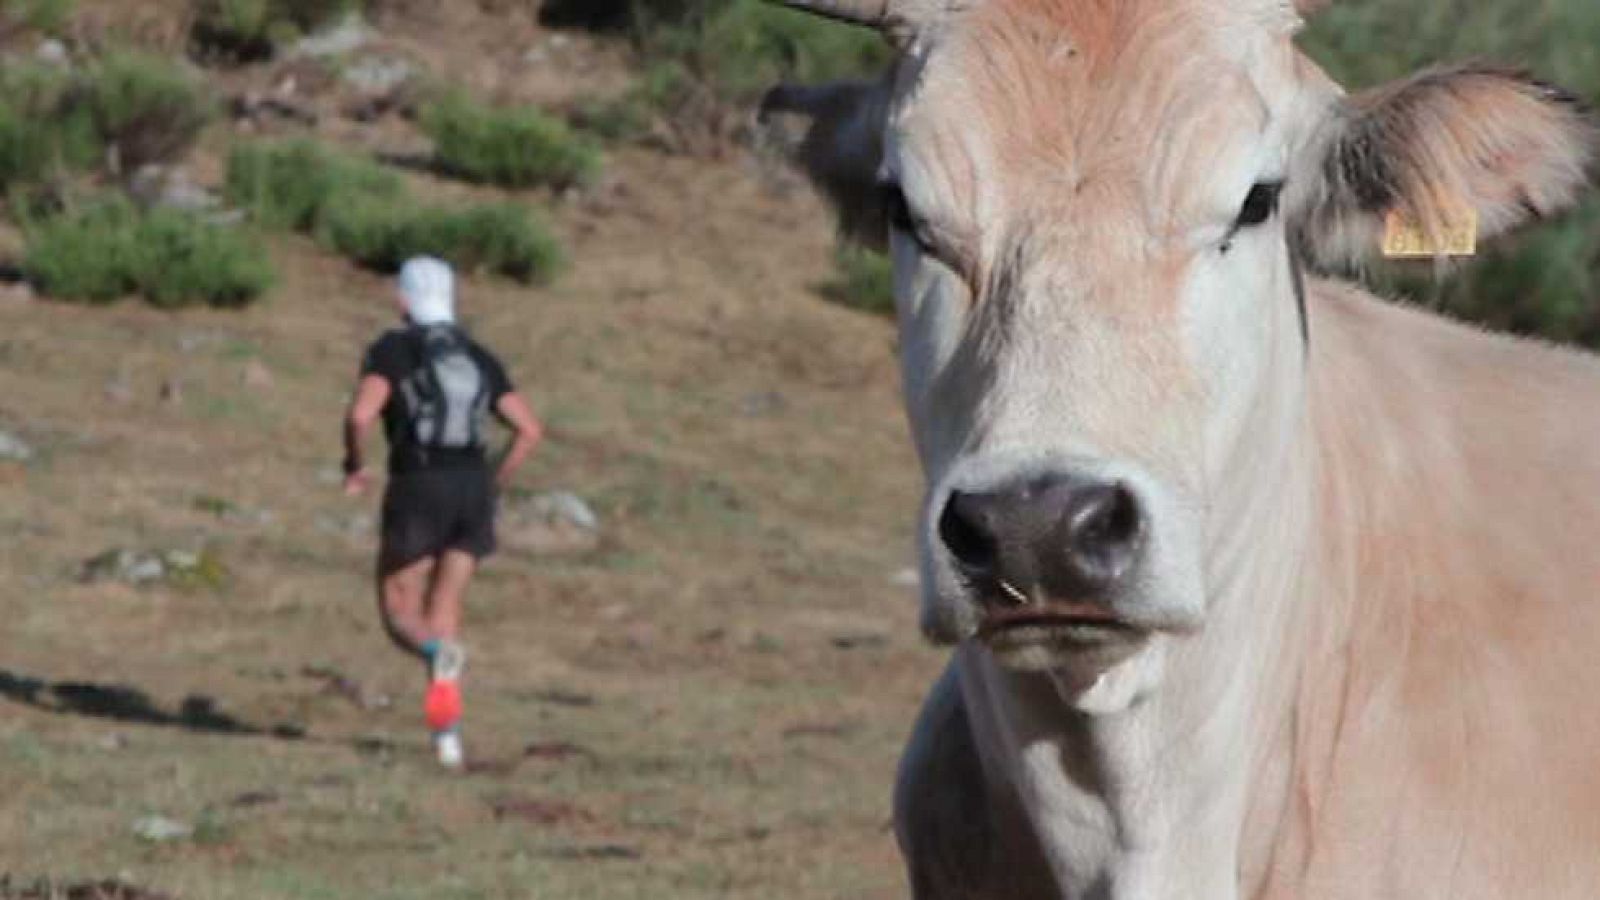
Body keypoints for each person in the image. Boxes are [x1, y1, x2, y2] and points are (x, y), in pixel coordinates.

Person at [341, 257, 543, 768]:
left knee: (399, 612)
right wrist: (493, 483)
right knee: (443, 614)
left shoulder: (393, 349)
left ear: (404, 299)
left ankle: (435, 658)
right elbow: (530, 431)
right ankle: (446, 741)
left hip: (419, 484)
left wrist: (355, 465)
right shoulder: (479, 354)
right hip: (473, 490)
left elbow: (361, 414)